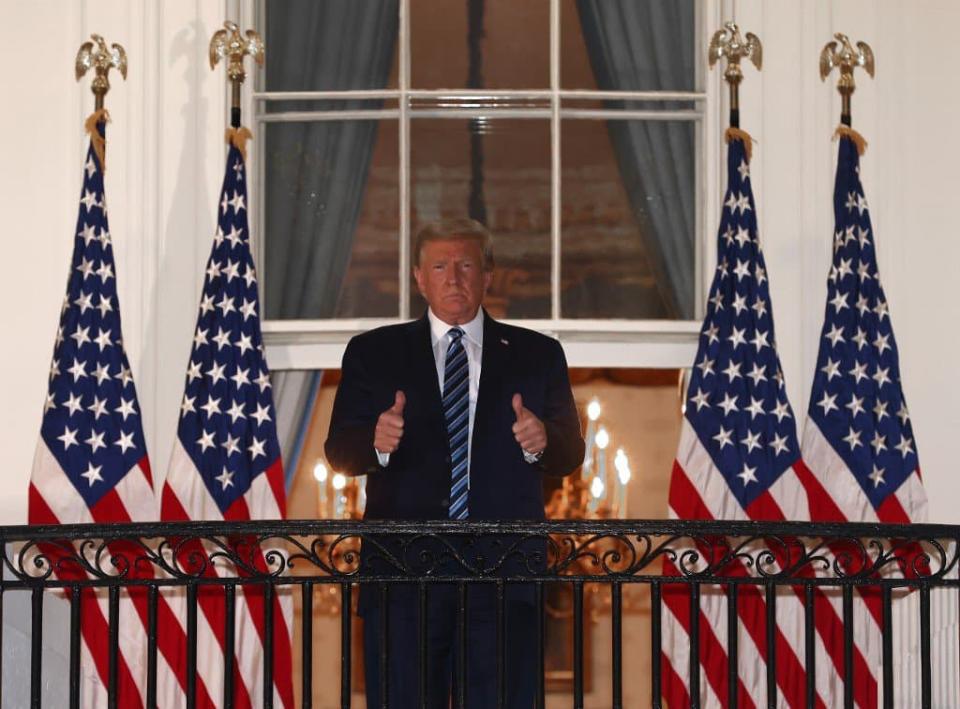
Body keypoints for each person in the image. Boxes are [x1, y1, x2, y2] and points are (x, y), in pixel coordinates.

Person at [325, 218, 584, 708]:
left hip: (505, 575)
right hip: (403, 576)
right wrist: (377, 443)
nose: (453, 278)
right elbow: (339, 451)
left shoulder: (538, 354)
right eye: (440, 266)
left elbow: (571, 454)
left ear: (487, 275)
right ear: (419, 278)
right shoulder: (374, 352)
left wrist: (542, 440)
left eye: (466, 265)